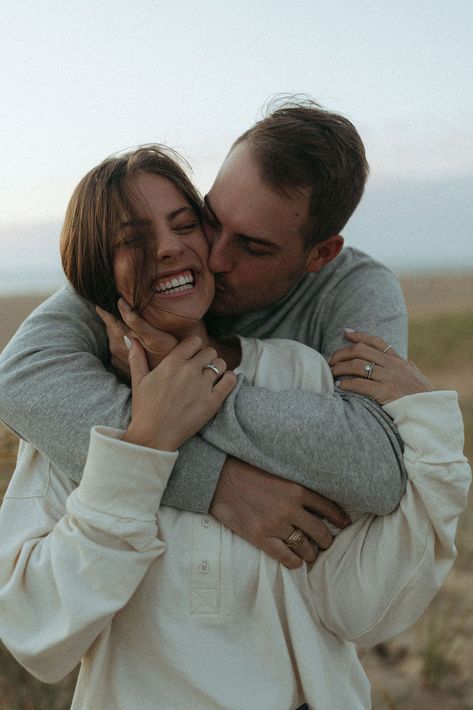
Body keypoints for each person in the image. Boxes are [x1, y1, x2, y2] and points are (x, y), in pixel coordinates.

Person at [0, 146, 469, 709]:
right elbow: (37, 635)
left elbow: (358, 607)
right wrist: (147, 452)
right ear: (95, 272)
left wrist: (435, 439)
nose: (172, 246)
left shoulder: (298, 373)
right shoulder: (74, 412)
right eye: (132, 238)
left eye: (184, 224)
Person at [0, 98, 409, 566]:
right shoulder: (151, 273)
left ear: (320, 255)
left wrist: (185, 382)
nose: (213, 258)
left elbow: (377, 466)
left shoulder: (353, 290)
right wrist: (217, 484)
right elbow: (20, 380)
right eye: (209, 219)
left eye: (253, 247)